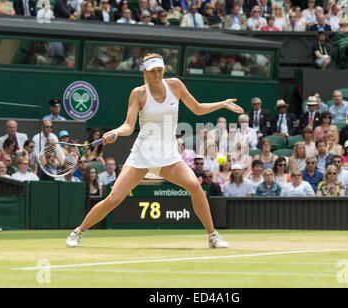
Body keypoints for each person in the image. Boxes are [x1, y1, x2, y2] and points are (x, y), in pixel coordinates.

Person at [66, 53, 244, 248]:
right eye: (153, 72)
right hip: (142, 155)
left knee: (194, 185)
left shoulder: (175, 85)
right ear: (145, 73)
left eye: (160, 70)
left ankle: (213, 236)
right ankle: (78, 232)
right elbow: (128, 125)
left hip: (168, 156)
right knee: (113, 199)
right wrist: (115, 132)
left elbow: (198, 108)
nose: (157, 75)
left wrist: (222, 104)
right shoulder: (138, 93)